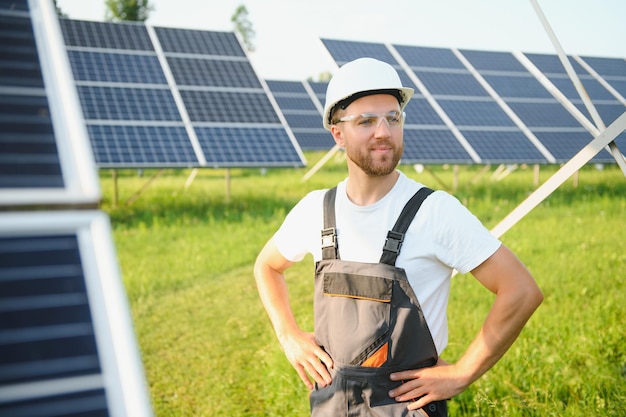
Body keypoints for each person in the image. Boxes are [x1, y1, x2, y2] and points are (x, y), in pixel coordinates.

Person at [254, 57, 543, 416]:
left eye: (393, 118)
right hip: (330, 406)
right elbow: (267, 266)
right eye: (366, 121)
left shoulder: (434, 211)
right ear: (338, 134)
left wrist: (462, 373)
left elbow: (521, 290)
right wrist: (288, 336)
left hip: (407, 408)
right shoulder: (317, 209)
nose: (383, 132)